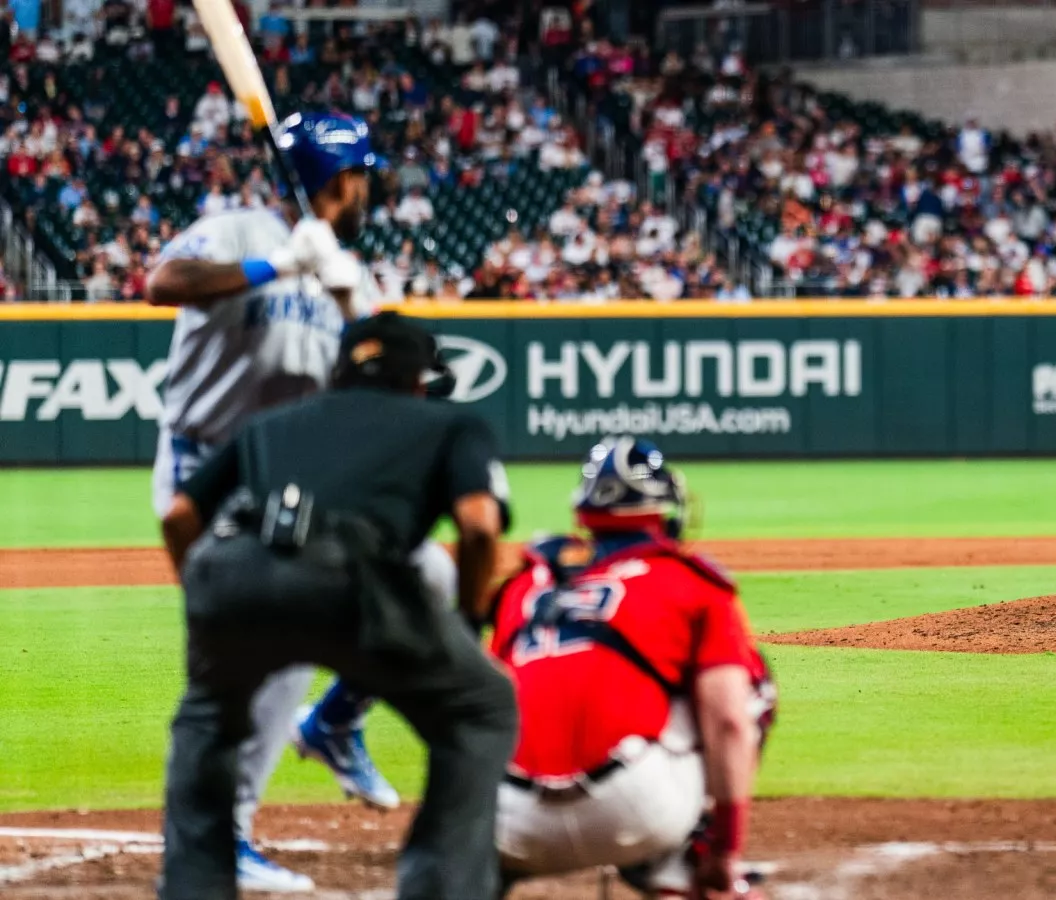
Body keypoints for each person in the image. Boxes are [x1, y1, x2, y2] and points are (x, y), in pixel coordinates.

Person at [146, 110, 438, 891]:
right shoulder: (241, 230)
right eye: (363, 173)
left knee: (425, 572)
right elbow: (161, 284)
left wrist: (355, 310)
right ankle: (222, 837)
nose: (370, 186)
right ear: (338, 179)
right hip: (204, 478)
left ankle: (337, 721)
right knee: (252, 657)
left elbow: (400, 388)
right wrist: (273, 267)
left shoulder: (348, 268)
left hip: (288, 489)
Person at [157, 312, 517, 900]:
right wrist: (469, 622)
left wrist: (200, 600)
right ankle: (441, 886)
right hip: (354, 578)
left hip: (237, 574)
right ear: (419, 380)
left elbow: (178, 515)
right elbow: (478, 528)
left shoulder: (271, 423)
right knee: (482, 709)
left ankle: (192, 888)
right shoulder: (451, 424)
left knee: (207, 723)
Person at [491, 437, 777, 900]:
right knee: (749, 686)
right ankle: (686, 861)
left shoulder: (527, 583)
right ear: (662, 507)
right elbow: (727, 721)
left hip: (509, 820)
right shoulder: (690, 580)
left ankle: (472, 873)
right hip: (633, 813)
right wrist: (725, 852)